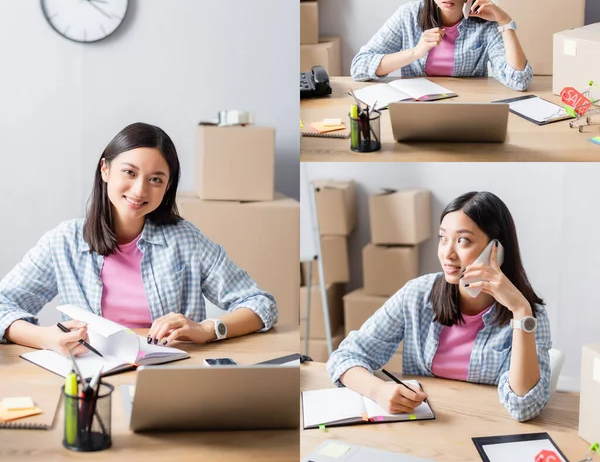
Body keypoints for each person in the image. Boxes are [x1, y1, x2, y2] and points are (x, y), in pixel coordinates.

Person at [0, 122, 277, 355]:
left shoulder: (186, 240)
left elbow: (261, 304)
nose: (139, 189)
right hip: (90, 377)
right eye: (129, 172)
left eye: (156, 179)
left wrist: (207, 329)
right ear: (105, 170)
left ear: (168, 187)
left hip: (171, 376)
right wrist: (45, 338)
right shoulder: (64, 242)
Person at [326, 191, 551, 422]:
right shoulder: (417, 295)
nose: (448, 253)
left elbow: (525, 407)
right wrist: (379, 391)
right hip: (425, 426)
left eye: (463, 240)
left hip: (488, 426)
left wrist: (521, 312)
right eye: (443, 238)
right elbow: (345, 356)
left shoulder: (530, 314)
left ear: (497, 249)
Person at [351, 0, 533, 91]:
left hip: (467, 110)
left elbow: (519, 80)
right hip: (418, 110)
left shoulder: (485, 23)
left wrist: (505, 22)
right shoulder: (408, 15)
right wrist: (415, 52)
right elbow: (359, 67)